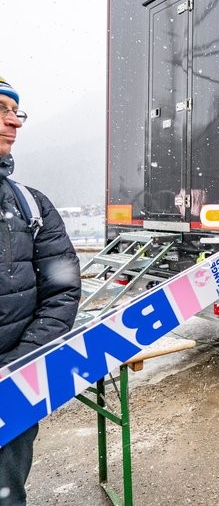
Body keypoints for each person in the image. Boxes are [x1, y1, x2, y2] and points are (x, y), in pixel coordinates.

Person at [0, 76, 81, 505]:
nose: (15, 123)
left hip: (10, 389)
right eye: (1, 111)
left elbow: (63, 292)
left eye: (17, 112)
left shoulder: (31, 205)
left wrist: (15, 368)